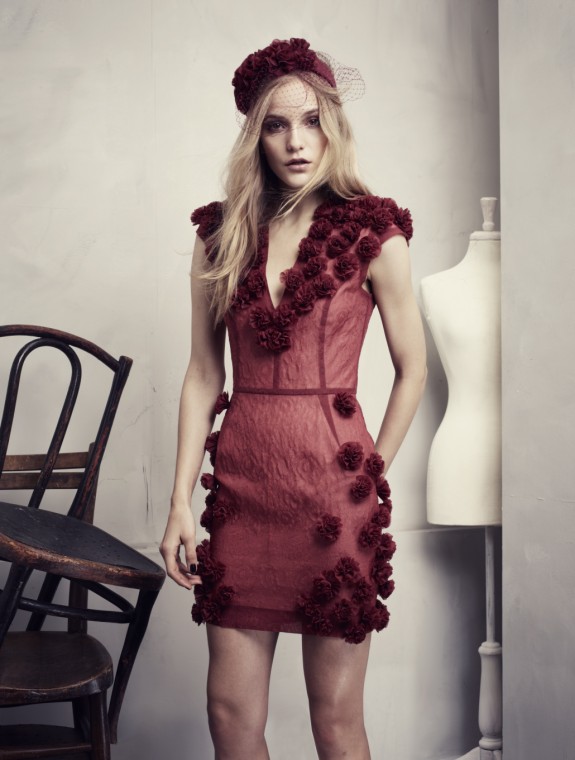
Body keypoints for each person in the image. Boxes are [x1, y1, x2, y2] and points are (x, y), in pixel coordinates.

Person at [160, 37, 427, 760]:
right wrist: (180, 500)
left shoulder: (375, 233)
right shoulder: (221, 235)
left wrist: (372, 471)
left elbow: (413, 369)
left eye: (311, 121)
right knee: (228, 715)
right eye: (276, 125)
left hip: (334, 499)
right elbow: (202, 374)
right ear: (256, 134)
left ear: (333, 124)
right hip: (242, 493)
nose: (296, 142)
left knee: (335, 722)